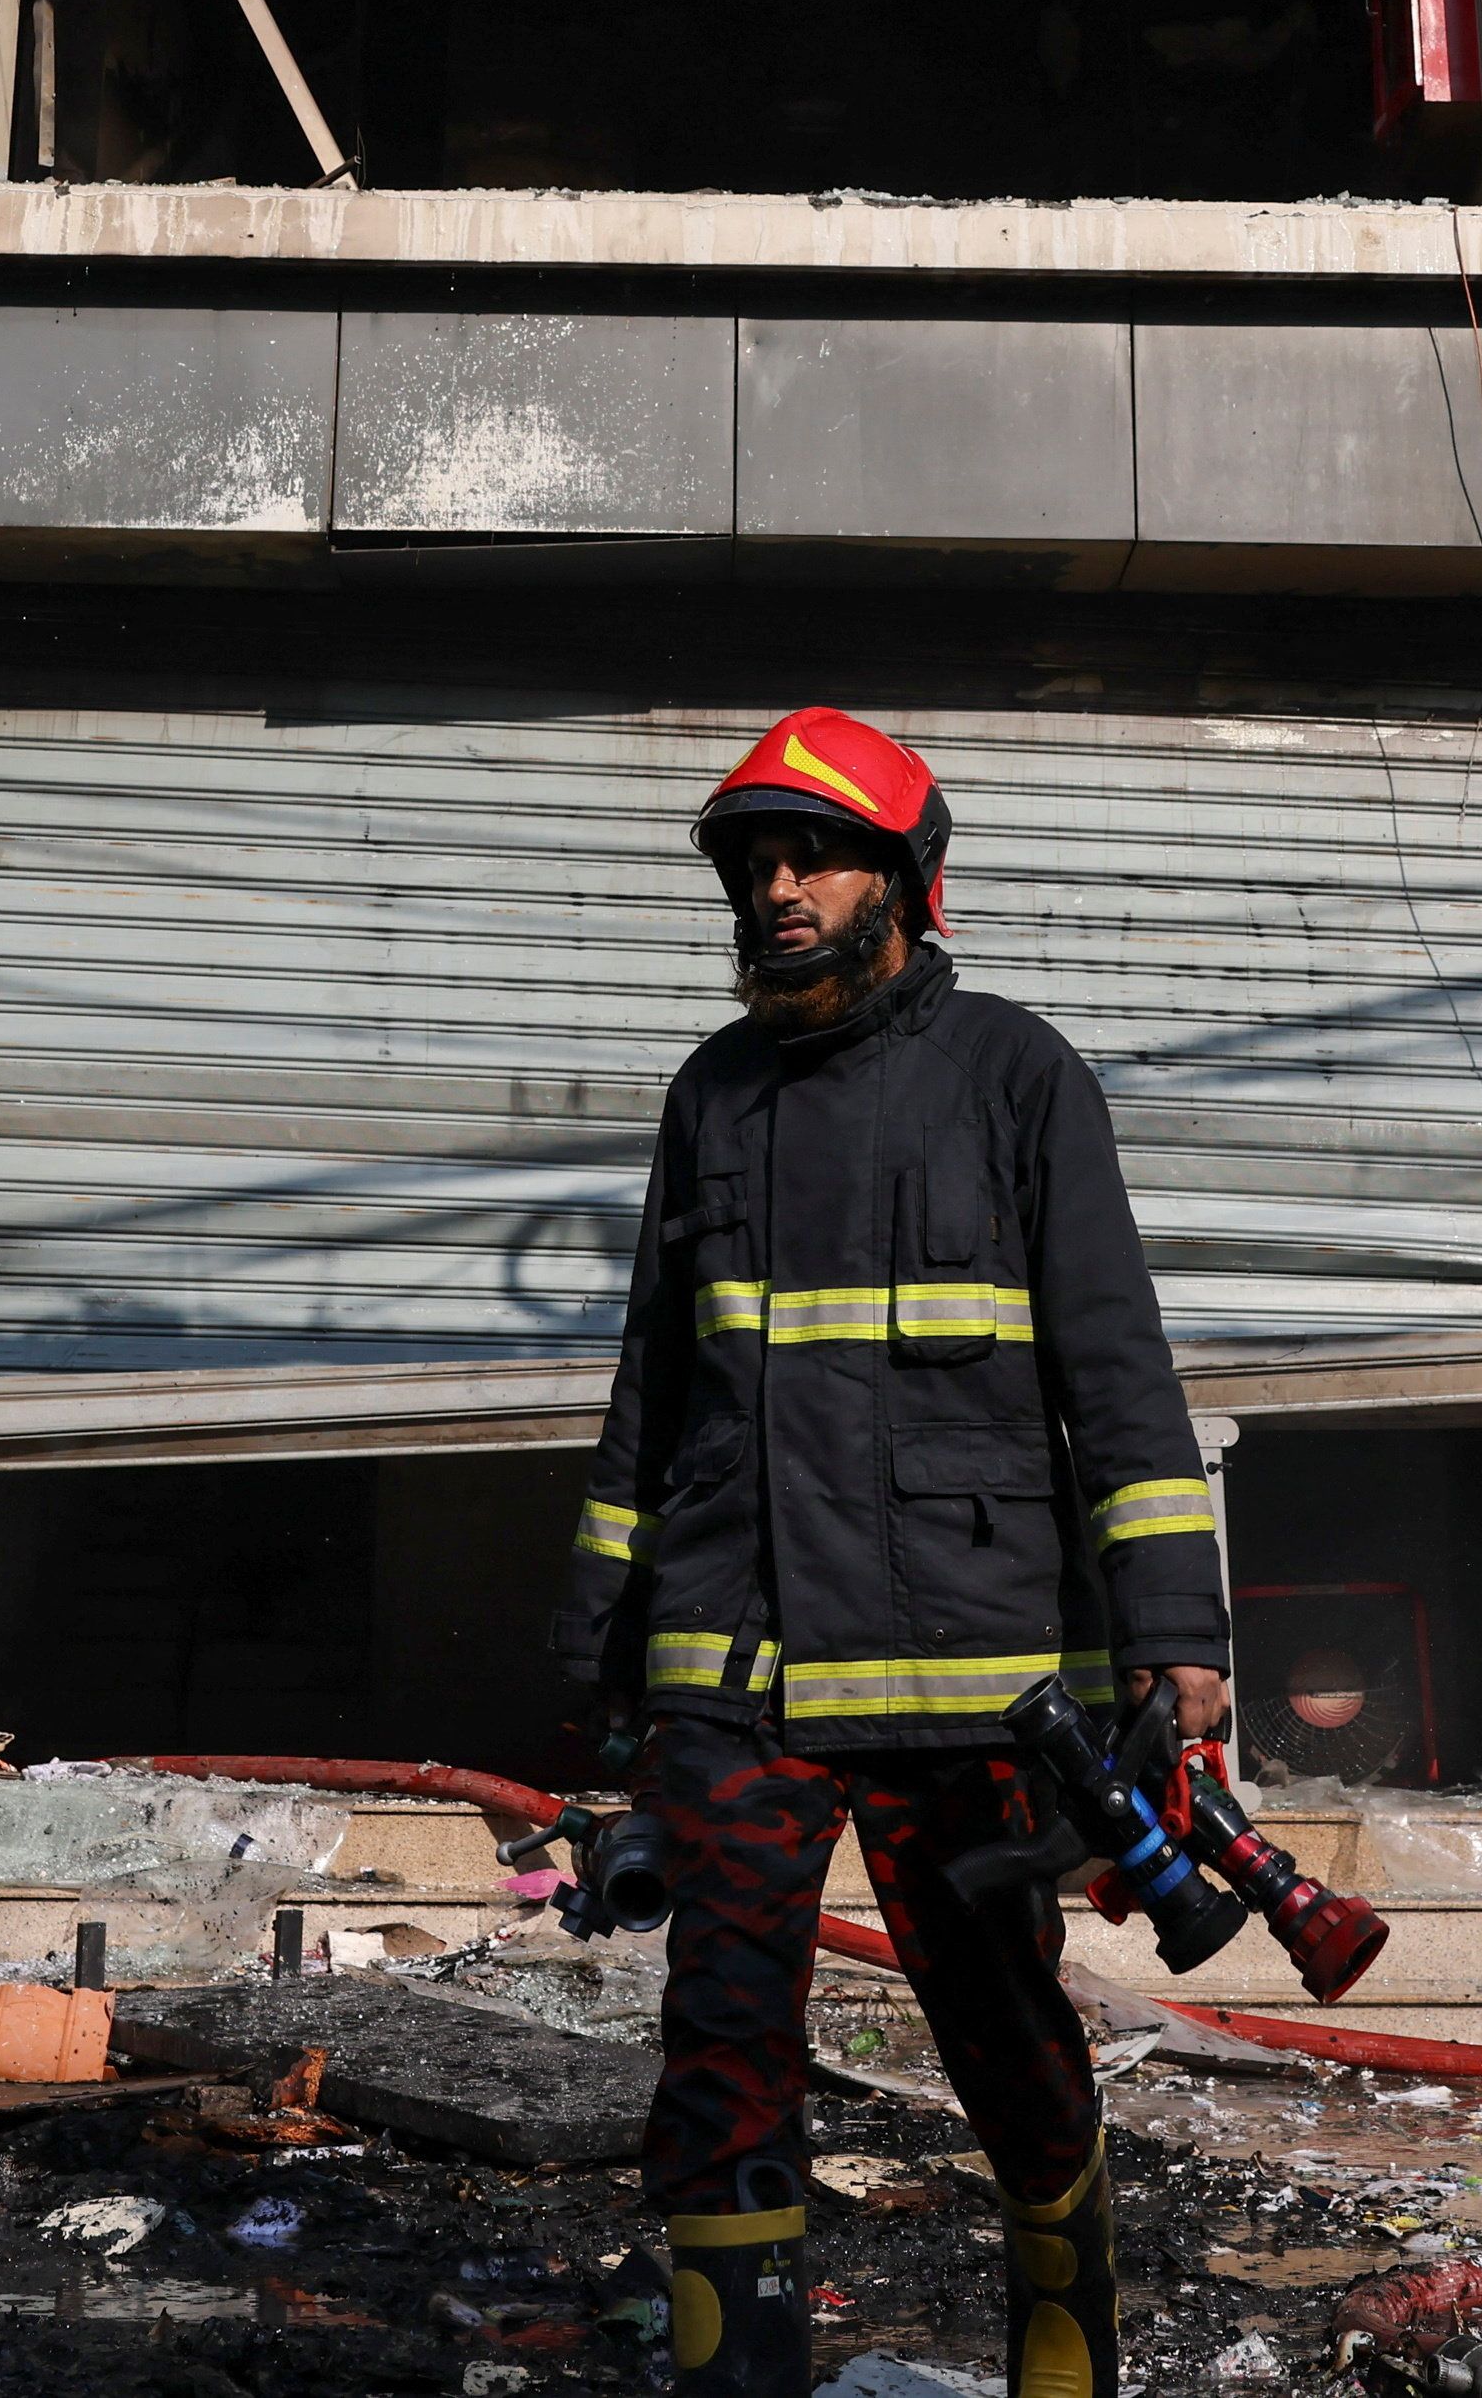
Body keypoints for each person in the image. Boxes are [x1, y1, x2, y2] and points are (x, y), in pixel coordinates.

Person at [555, 707, 1230, 2398]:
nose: (777, 891)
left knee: (1005, 2032)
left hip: (970, 1676)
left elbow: (1115, 1372)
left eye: (814, 859)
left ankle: (1065, 2338)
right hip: (738, 1662)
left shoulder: (1017, 1073)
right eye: (755, 866)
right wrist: (602, 1637)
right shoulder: (713, 1092)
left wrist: (1174, 1632)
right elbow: (656, 1381)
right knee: (721, 2039)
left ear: (907, 883)